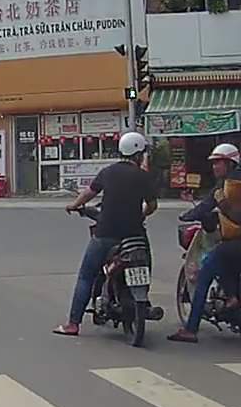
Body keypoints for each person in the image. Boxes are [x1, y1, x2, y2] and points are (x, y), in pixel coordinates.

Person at [53, 131, 158, 336]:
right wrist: (141, 216)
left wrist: (74, 205)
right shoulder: (143, 176)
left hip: (106, 234)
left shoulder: (108, 172)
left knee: (86, 276)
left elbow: (88, 193)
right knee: (144, 264)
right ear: (139, 154)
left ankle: (73, 324)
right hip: (134, 235)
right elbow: (152, 205)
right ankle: (143, 301)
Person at [168, 143, 241, 343]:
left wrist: (187, 216)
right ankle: (232, 296)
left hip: (235, 243)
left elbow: (205, 207)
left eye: (219, 163)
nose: (215, 167)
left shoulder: (227, 185)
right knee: (227, 265)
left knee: (205, 273)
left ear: (230, 163)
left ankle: (190, 329)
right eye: (214, 163)